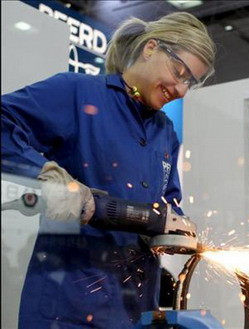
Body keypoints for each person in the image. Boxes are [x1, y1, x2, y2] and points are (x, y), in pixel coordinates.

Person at [1, 12, 215, 329]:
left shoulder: (165, 131)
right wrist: (45, 174)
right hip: (68, 306)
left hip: (135, 310)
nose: (181, 90)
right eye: (179, 72)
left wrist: (175, 223)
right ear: (150, 48)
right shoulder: (77, 93)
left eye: (190, 83)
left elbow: (167, 200)